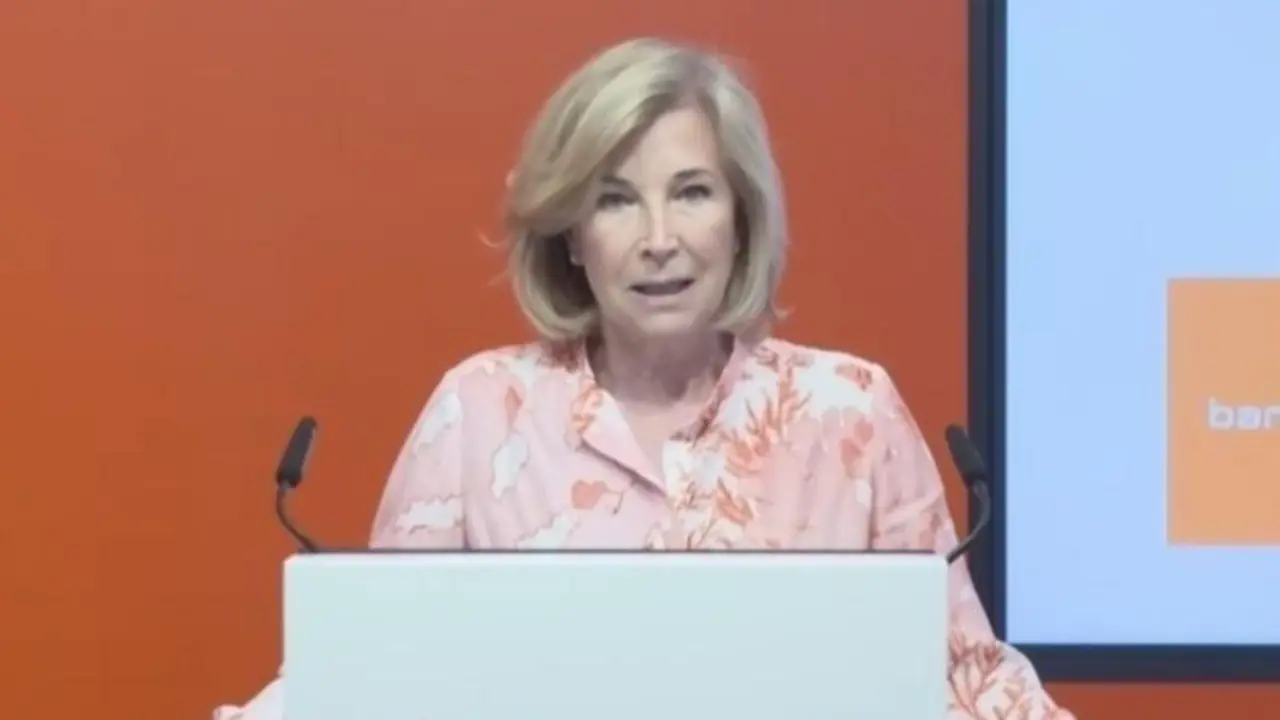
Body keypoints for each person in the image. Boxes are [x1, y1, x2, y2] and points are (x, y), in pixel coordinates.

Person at [214, 37, 1073, 720]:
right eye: (616, 200)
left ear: (741, 217)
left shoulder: (850, 412)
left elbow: (966, 679)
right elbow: (371, 676)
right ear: (571, 234)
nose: (659, 239)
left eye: (692, 192)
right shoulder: (480, 411)